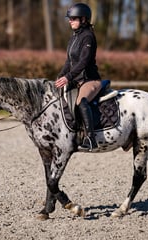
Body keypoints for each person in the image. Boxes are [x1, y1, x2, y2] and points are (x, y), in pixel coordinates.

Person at [55, 3, 101, 152]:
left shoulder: (88, 37)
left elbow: (83, 62)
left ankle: (91, 139)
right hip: (76, 80)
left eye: (73, 18)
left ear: (83, 19)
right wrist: (60, 77)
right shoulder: (74, 37)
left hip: (90, 80)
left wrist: (68, 77)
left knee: (81, 102)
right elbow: (69, 61)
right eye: (70, 18)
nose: (70, 20)